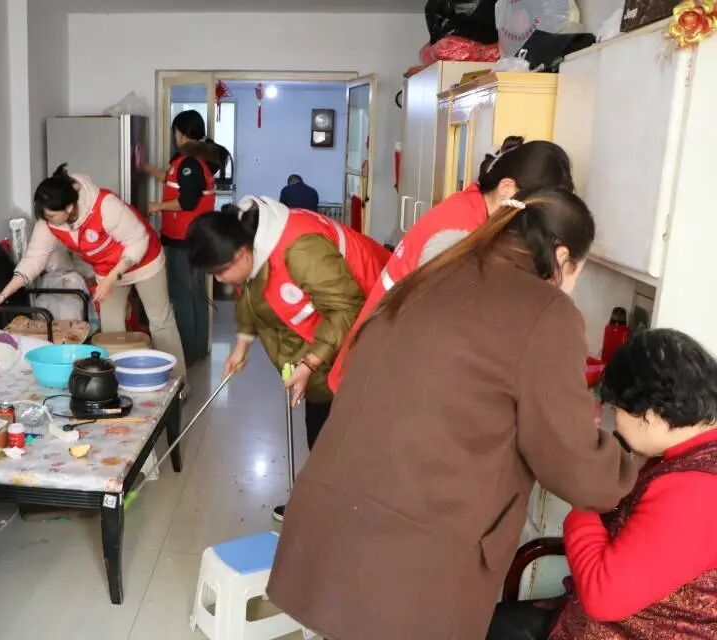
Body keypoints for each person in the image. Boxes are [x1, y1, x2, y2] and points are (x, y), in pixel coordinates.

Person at [267, 187, 638, 640]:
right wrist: (629, 459)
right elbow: (574, 466)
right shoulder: (546, 309)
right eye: (578, 271)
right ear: (563, 257)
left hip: (332, 529)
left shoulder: (435, 271)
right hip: (408, 560)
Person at [488, 329, 717, 640]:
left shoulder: (695, 493)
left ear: (651, 415)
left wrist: (583, 496)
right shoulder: (691, 455)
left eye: (616, 410)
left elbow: (603, 598)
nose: (614, 421)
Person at [186, 195, 390, 520]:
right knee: (321, 429)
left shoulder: (301, 249)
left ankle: (342, 514)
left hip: (372, 331)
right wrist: (241, 344)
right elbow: (251, 296)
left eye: (221, 272)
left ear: (242, 253)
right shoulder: (248, 240)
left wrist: (309, 363)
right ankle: (321, 504)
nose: (220, 280)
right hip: (325, 344)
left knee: (342, 434)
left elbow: (346, 310)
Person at [328, 136, 574, 391]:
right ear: (507, 189)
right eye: (537, 214)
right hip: (376, 371)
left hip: (378, 358)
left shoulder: (472, 202)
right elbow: (444, 332)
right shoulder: (459, 234)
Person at [0, 165, 186, 381]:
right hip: (107, 269)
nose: (47, 221)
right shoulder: (50, 222)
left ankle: (177, 381)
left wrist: (112, 278)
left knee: (160, 321)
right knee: (111, 329)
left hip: (144, 260)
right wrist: (3, 294)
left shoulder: (105, 205)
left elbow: (139, 240)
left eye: (51, 215)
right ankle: (118, 382)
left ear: (69, 208)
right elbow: (33, 260)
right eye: (44, 216)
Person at [144, 110, 227, 364]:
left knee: (182, 295)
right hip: (195, 239)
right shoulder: (194, 160)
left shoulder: (189, 162)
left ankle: (186, 353)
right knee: (196, 294)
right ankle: (198, 348)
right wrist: (144, 167)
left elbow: (187, 201)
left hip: (184, 242)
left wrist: (157, 207)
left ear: (179, 132)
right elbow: (172, 178)